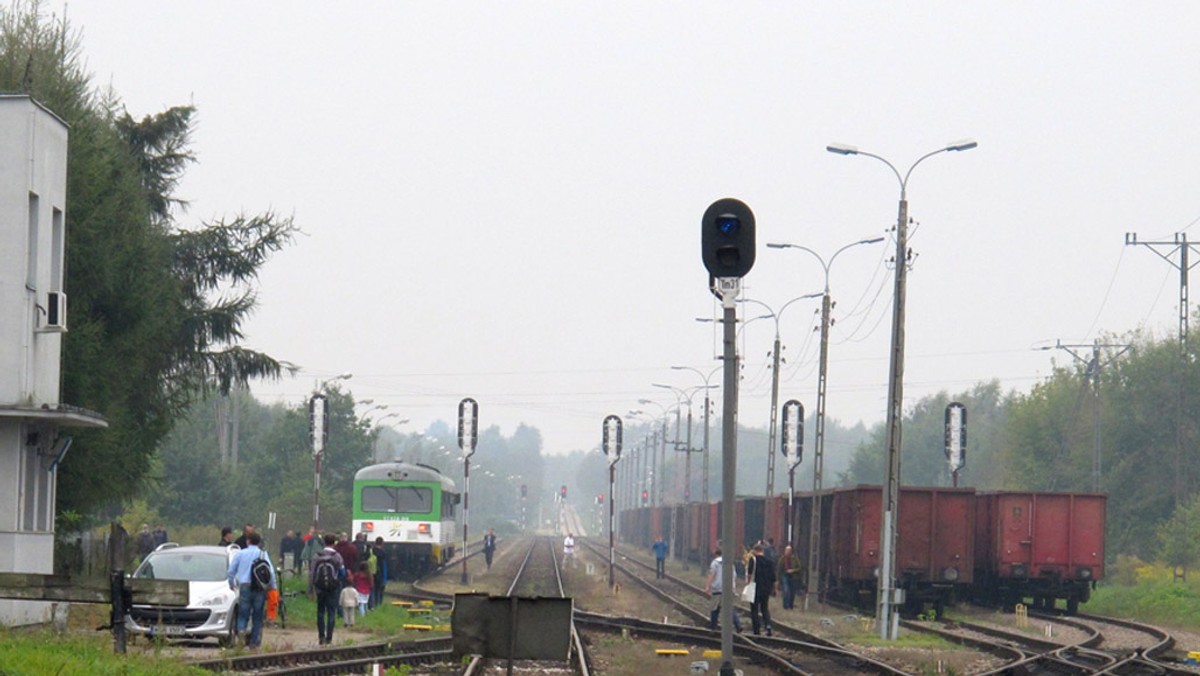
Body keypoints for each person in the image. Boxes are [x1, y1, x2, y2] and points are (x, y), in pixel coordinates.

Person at [225, 531, 277, 649]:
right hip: (259, 588)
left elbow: (231, 571)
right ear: (259, 543)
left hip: (244, 586)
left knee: (243, 614)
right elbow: (271, 572)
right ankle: (254, 643)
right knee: (257, 616)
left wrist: (231, 583)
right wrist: (273, 588)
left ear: (248, 541)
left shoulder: (240, 554)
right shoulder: (263, 555)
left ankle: (241, 632)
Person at [312, 534, 346, 644]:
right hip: (333, 588)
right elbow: (342, 572)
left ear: (324, 542)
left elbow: (312, 573)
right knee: (332, 612)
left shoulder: (317, 556)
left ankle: (321, 636)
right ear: (334, 542)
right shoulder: (337, 556)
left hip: (320, 588)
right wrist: (337, 581)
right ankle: (329, 638)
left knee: (320, 612)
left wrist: (311, 588)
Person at [704, 548, 741, 632]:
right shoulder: (730, 563)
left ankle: (713, 626)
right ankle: (738, 625)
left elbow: (712, 575)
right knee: (730, 608)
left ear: (716, 554)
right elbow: (734, 576)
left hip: (717, 589)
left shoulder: (715, 563)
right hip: (728, 589)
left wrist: (708, 586)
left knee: (714, 609)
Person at [746, 543, 776, 636]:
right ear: (762, 551)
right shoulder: (769, 562)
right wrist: (773, 589)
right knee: (764, 608)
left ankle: (756, 630)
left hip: (755, 588)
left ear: (755, 551)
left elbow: (750, 574)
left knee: (754, 609)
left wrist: (747, 584)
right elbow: (774, 578)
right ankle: (768, 626)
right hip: (766, 588)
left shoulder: (753, 560)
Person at [776, 545, 803, 610]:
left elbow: (799, 568)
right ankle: (785, 606)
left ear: (791, 551)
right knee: (786, 590)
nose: (787, 552)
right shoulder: (782, 559)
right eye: (786, 550)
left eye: (788, 551)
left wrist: (793, 570)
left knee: (792, 592)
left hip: (793, 577)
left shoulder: (795, 559)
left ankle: (791, 605)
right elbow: (779, 569)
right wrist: (778, 580)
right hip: (784, 576)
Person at [370, 536, 388, 609]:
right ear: (382, 543)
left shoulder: (372, 551)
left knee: (372, 589)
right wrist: (385, 578)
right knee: (379, 590)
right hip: (380, 573)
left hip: (372, 572)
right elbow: (384, 566)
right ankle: (378, 605)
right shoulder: (383, 553)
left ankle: (372, 605)